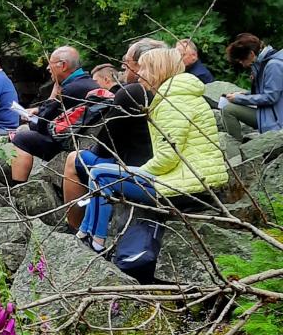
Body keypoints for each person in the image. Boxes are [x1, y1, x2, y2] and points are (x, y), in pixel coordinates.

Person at [76, 44, 229, 251]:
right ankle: (88, 235)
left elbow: (168, 157)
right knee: (103, 173)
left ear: (158, 70)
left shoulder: (171, 102)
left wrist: (136, 172)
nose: (139, 75)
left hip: (188, 188)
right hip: (199, 182)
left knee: (100, 174)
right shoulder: (182, 96)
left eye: (145, 68)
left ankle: (94, 242)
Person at [60, 39, 159, 227]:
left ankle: (74, 230)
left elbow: (104, 146)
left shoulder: (131, 93)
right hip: (174, 171)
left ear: (140, 64)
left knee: (75, 159)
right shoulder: (174, 90)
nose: (122, 67)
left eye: (126, 61)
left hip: (140, 171)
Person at [7, 47, 98, 184]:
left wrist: (53, 95)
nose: (48, 68)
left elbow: (41, 124)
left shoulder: (69, 90)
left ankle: (18, 187)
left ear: (63, 65)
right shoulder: (89, 84)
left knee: (21, 137)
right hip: (84, 140)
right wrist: (39, 109)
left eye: (51, 63)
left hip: (69, 144)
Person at [220, 33, 283, 141]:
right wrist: (244, 94)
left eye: (242, 60)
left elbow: (271, 97)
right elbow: (266, 91)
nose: (243, 64)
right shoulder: (264, 63)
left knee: (228, 110)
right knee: (229, 107)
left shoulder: (273, 65)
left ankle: (236, 150)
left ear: (251, 54)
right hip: (269, 114)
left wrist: (239, 99)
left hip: (276, 120)